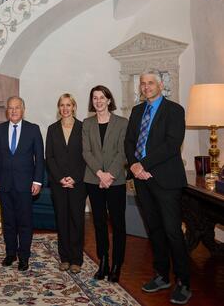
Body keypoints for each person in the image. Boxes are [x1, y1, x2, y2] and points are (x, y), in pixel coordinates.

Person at [125, 70, 191, 304]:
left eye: (151, 83)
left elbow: (172, 144)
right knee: (153, 230)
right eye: (143, 84)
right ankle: (162, 275)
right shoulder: (136, 111)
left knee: (173, 231)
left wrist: (142, 163)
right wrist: (134, 166)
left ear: (160, 85)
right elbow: (130, 141)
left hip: (166, 181)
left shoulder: (175, 110)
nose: (146, 87)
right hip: (142, 180)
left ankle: (184, 282)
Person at [0, 96, 44, 271]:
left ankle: (24, 257)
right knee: (9, 222)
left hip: (25, 185)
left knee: (25, 222)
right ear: (7, 111)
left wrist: (37, 181)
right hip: (3, 184)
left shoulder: (33, 130)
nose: (13, 111)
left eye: (17, 108)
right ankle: (10, 253)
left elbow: (39, 159)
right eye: (10, 108)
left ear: (23, 110)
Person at [82, 85, 128, 283]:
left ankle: (117, 265)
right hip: (93, 180)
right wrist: (100, 174)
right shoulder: (87, 123)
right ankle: (103, 262)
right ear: (92, 101)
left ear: (109, 100)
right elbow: (86, 152)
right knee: (99, 223)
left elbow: (123, 152)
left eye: (102, 97)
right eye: (95, 98)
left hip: (116, 181)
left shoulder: (121, 123)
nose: (98, 101)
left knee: (118, 224)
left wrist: (109, 175)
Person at [45, 94, 87, 274]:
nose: (65, 108)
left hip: (78, 183)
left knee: (76, 220)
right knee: (61, 220)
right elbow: (50, 157)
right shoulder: (52, 129)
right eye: (62, 105)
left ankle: (76, 259)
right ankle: (65, 258)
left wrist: (74, 178)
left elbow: (87, 156)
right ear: (58, 108)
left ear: (74, 107)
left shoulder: (83, 128)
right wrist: (61, 178)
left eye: (68, 105)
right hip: (58, 182)